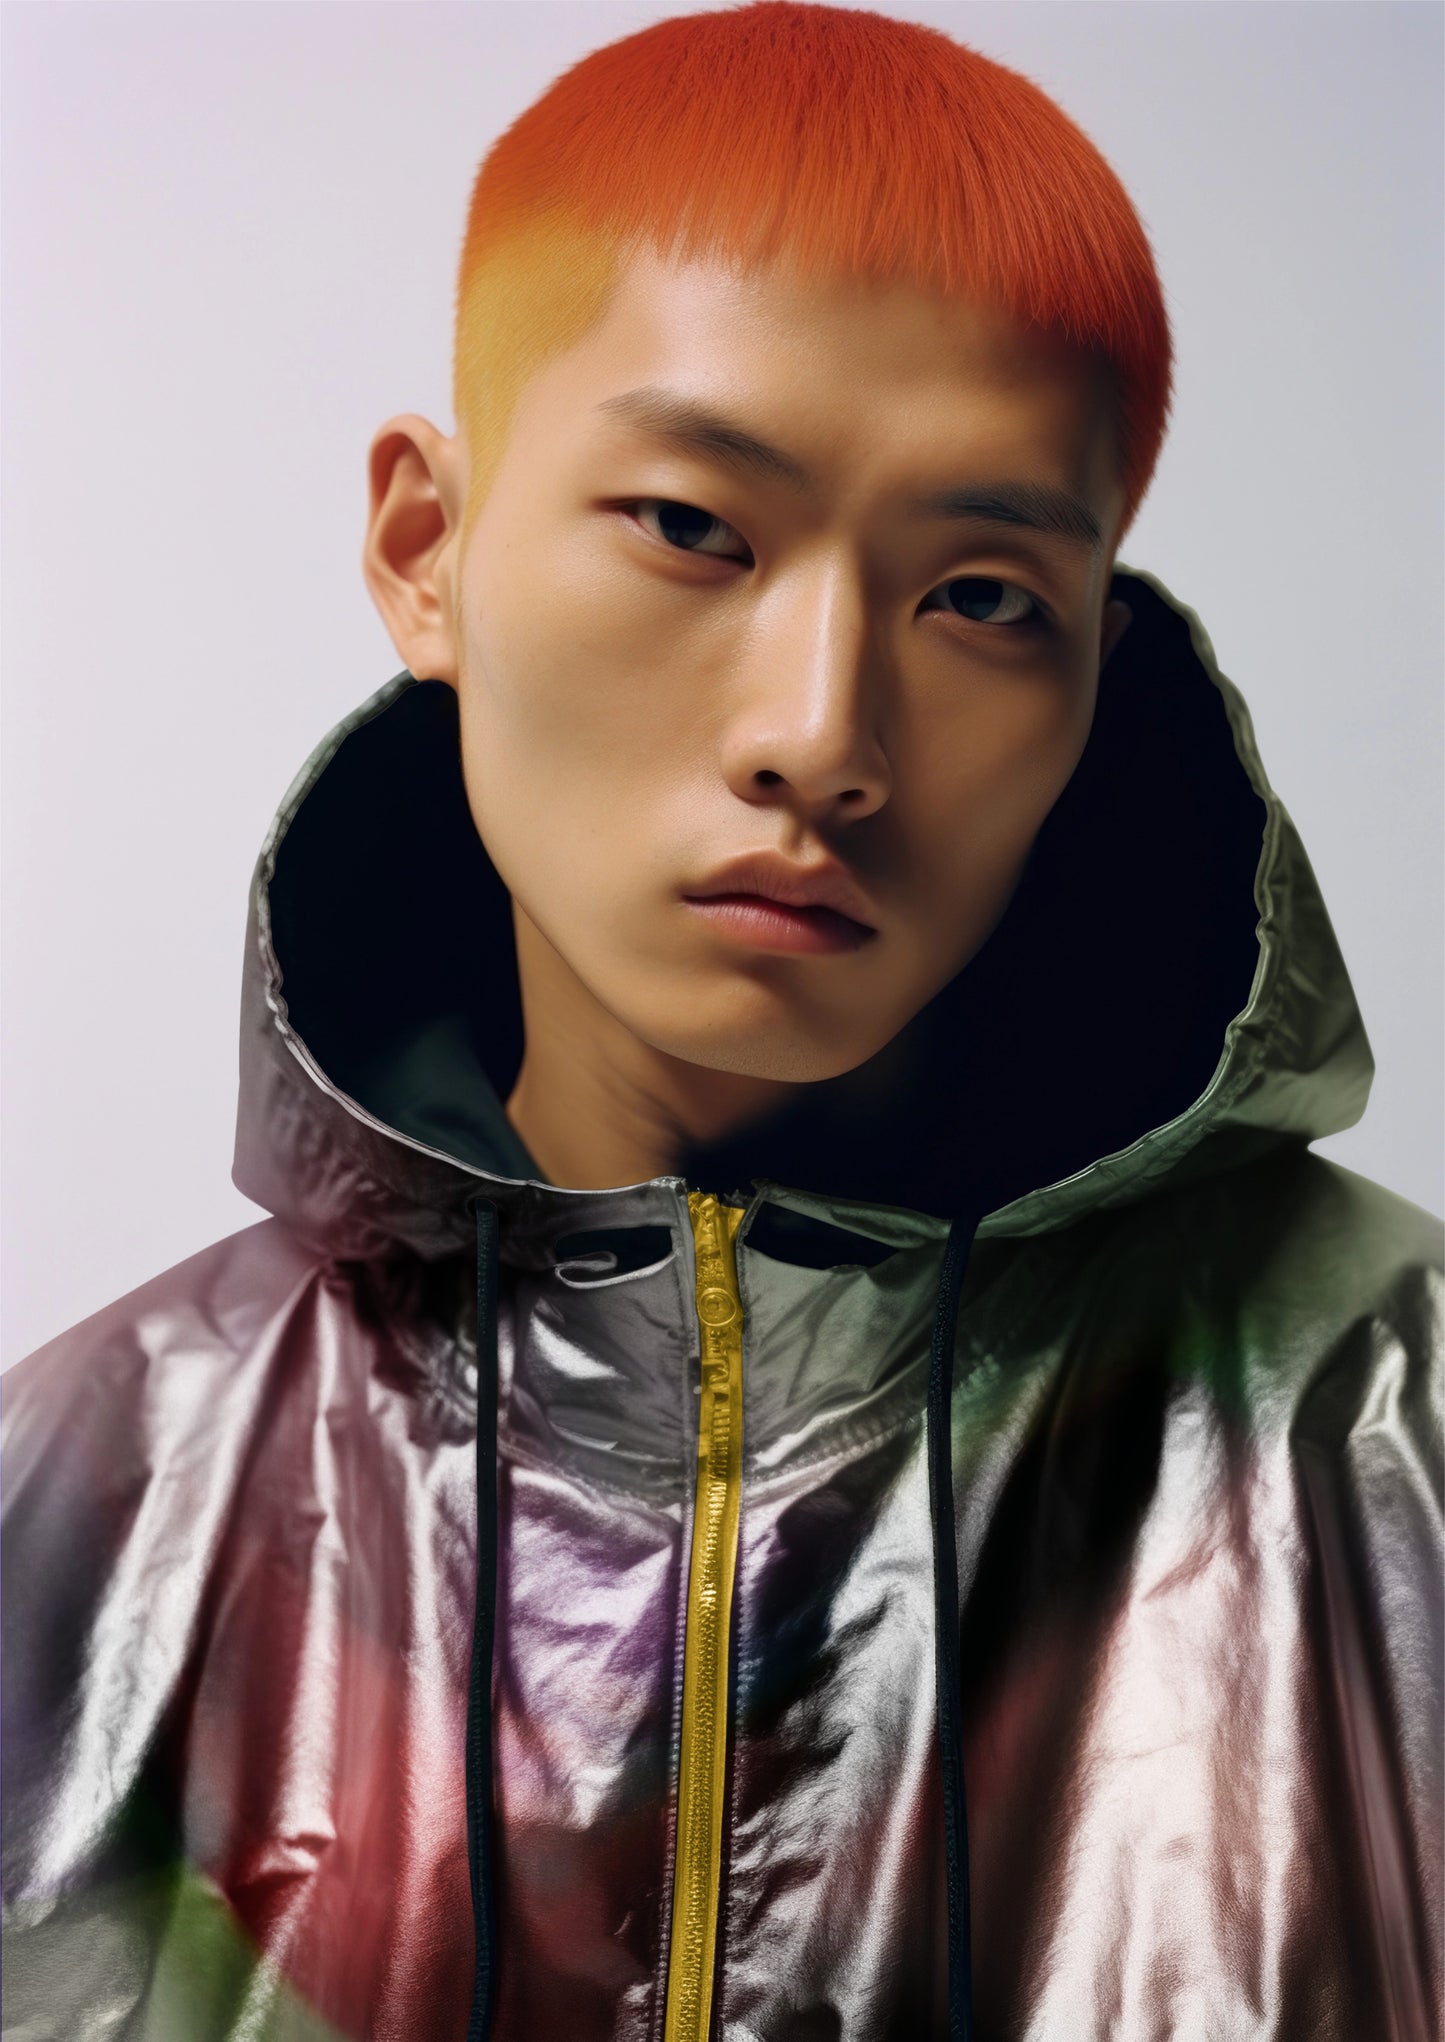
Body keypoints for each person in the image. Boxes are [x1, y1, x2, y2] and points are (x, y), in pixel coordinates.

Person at [3, 3, 1439, 2037]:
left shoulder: (1393, 1432)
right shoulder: (79, 1509)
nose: (821, 732)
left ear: (1091, 675)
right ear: (427, 550)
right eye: (694, 527)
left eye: (981, 597)